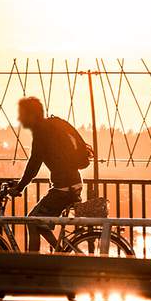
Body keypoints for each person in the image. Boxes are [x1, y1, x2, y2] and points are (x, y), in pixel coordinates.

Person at [10, 97, 93, 252]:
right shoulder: (50, 127)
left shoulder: (42, 131)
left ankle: (34, 266)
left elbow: (34, 163)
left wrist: (19, 187)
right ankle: (60, 253)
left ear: (32, 115)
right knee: (39, 223)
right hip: (72, 183)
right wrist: (20, 184)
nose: (19, 118)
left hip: (64, 188)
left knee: (32, 221)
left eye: (22, 114)